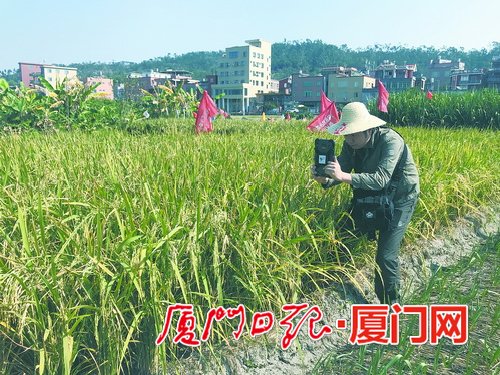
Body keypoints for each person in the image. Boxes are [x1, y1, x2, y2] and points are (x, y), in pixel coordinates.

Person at [311, 102, 419, 304]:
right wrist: (326, 179)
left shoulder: (391, 141)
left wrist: (342, 176)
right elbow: (341, 169)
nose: (349, 139)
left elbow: (380, 179)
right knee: (342, 235)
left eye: (353, 134)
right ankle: (332, 283)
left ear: (368, 129)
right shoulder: (351, 145)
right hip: (372, 196)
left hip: (400, 199)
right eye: (346, 134)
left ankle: (391, 305)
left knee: (386, 256)